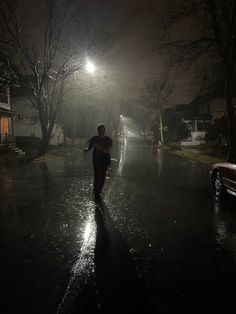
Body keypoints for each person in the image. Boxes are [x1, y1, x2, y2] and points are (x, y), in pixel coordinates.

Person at [84, 124, 112, 202]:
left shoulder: (108, 140)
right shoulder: (94, 139)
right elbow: (89, 148)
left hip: (105, 160)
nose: (102, 132)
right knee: (97, 175)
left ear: (105, 131)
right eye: (100, 131)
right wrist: (86, 149)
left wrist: (98, 147)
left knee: (102, 177)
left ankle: (98, 190)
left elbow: (108, 151)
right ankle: (96, 192)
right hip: (96, 160)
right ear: (98, 131)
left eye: (103, 130)